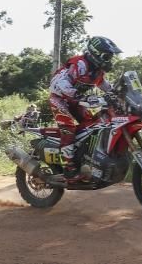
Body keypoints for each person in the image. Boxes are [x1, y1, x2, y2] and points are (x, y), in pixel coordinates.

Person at [48, 35, 121, 179]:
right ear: (96, 53)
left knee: (92, 123)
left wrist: (118, 94)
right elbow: (62, 84)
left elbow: (104, 86)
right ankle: (69, 166)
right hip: (59, 98)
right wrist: (83, 97)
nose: (109, 60)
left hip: (75, 100)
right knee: (68, 126)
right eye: (107, 56)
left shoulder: (97, 70)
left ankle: (84, 156)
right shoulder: (80, 64)